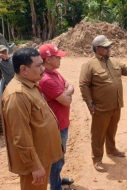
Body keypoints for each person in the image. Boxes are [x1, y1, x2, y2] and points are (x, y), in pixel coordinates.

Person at [79, 35, 127, 172]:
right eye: (106, 47)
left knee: (112, 130)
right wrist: (90, 104)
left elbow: (126, 71)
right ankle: (97, 159)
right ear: (98, 49)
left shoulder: (114, 61)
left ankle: (111, 149)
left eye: (109, 46)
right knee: (98, 134)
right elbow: (83, 85)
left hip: (116, 105)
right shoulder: (89, 65)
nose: (109, 48)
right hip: (101, 108)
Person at [1, 48, 63, 190]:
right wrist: (34, 166)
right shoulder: (17, 95)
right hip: (34, 162)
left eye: (42, 64)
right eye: (38, 65)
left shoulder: (31, 84)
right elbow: (20, 136)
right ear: (24, 69)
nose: (43, 68)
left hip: (41, 156)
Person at [38, 44, 74, 190]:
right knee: (56, 159)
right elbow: (66, 100)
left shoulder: (55, 73)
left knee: (59, 157)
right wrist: (68, 92)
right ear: (47, 59)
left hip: (62, 123)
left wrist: (68, 90)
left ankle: (57, 180)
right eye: (57, 57)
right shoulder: (46, 79)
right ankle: (56, 186)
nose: (60, 59)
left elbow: (69, 85)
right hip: (56, 127)